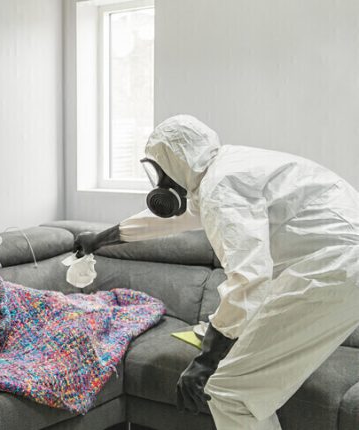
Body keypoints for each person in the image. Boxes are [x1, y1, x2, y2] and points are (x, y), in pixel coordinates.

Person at [75, 115, 359, 430]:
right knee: (240, 389)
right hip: (338, 270)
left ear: (176, 161)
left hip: (332, 271)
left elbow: (249, 279)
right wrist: (100, 239)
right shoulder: (226, 168)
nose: (161, 184)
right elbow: (171, 219)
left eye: (160, 171)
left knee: (229, 394)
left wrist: (205, 361)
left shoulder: (220, 186)